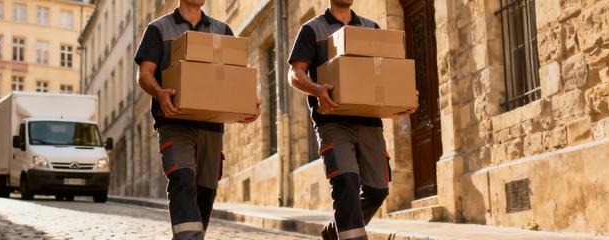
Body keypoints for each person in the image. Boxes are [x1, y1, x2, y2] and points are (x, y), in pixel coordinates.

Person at [287, 0, 417, 239]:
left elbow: (387, 72)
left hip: (369, 121)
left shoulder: (371, 29)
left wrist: (404, 95)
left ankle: (334, 232)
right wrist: (317, 90)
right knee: (346, 183)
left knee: (378, 190)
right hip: (332, 121)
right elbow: (295, 73)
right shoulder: (313, 29)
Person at [134, 0, 259, 239]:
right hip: (174, 121)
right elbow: (144, 74)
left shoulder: (222, 30)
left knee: (206, 190)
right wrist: (160, 93)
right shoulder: (159, 29)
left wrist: (248, 101)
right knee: (182, 178)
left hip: (211, 125)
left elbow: (234, 74)